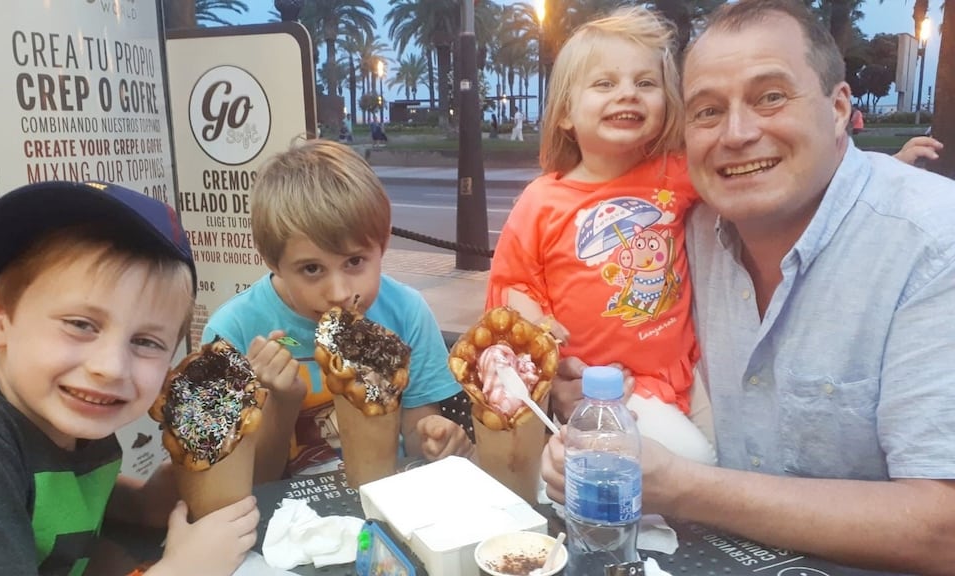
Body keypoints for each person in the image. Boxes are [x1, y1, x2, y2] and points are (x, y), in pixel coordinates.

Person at [542, 1, 955, 573]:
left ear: (839, 108)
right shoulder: (681, 234)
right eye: (707, 111)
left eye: (770, 97)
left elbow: (944, 528)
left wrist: (684, 487)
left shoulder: (934, 244)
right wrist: (579, 387)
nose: (737, 134)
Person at [0, 181, 259, 575]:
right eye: (81, 324)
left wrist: (140, 503)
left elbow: (50, 498)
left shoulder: (75, 417)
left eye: (146, 341)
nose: (111, 367)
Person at [488, 7, 716, 463]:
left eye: (645, 83)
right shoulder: (541, 201)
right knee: (697, 464)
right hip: (607, 388)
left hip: (687, 372)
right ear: (566, 113)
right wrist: (542, 344)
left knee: (734, 462)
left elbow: (741, 177)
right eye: (605, 83)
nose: (627, 94)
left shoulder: (678, 172)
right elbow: (513, 284)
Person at [203, 139, 473, 482]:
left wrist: (438, 438)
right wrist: (281, 405)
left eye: (355, 262)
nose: (339, 293)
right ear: (273, 261)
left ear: (384, 245)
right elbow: (248, 483)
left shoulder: (406, 312)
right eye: (312, 269)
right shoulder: (233, 332)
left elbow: (417, 437)